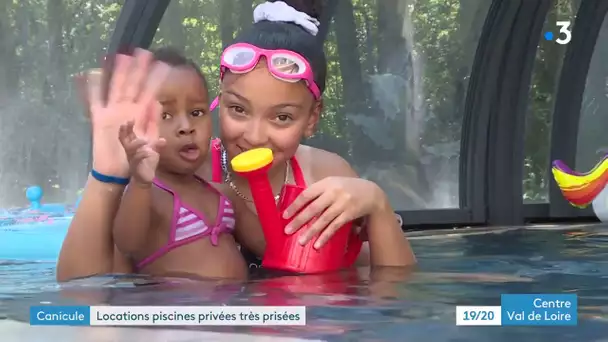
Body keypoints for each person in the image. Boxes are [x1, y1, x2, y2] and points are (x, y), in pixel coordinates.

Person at [56, 0, 415, 282]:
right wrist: (107, 171)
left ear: (312, 118)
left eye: (282, 117)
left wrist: (377, 204)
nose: (255, 135)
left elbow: (388, 282)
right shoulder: (181, 171)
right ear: (219, 103)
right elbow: (84, 290)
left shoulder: (326, 175)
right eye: (238, 110)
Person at [112, 47, 247, 280]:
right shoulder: (151, 194)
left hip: (235, 309)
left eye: (196, 112)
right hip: (179, 311)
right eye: (166, 115)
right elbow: (127, 244)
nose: (186, 126)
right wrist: (140, 182)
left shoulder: (219, 194)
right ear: (138, 126)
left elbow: (267, 247)